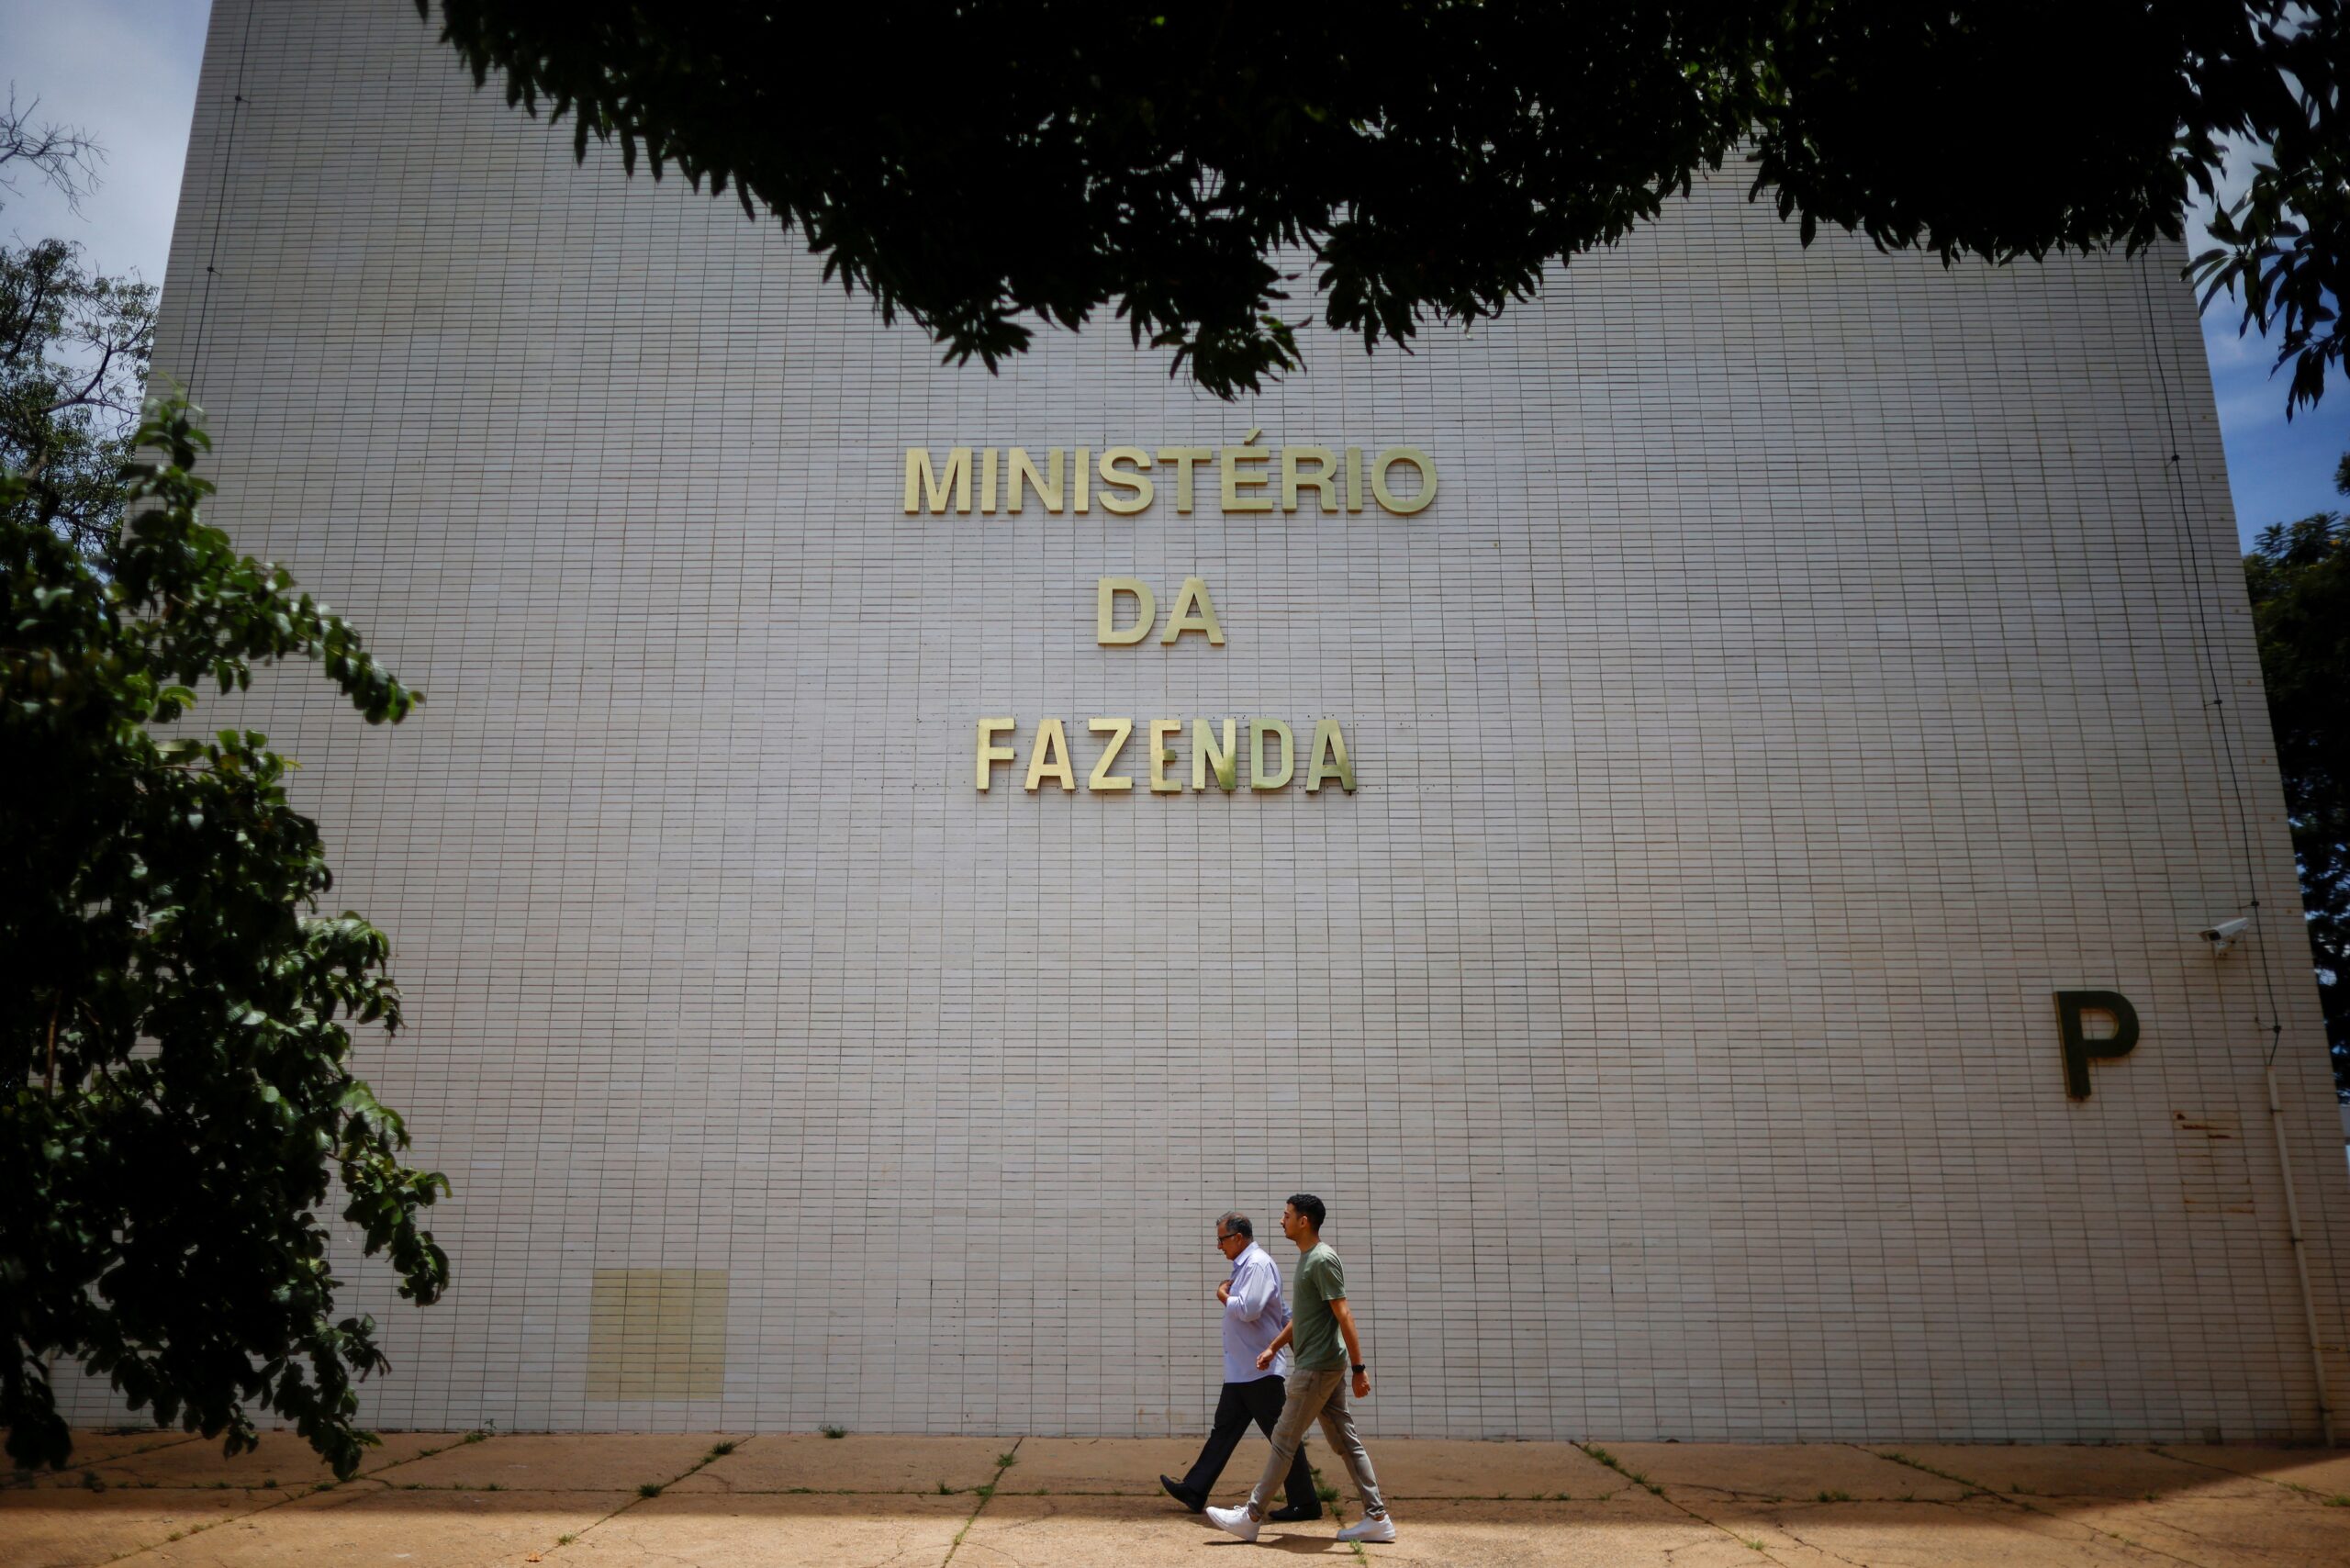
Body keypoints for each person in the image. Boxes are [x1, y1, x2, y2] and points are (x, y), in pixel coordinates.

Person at [1207, 1194, 1397, 1544]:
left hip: (1317, 1368)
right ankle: (1377, 1516)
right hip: (1321, 1365)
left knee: (1283, 1440)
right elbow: (1304, 1318)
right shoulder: (1308, 1259)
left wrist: (1359, 1368)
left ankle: (1250, 1516)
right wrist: (1273, 1346)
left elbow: (1344, 1314)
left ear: (1304, 1221)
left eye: (1287, 1215)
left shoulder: (1322, 1260)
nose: (1282, 1221)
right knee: (1345, 1441)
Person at [1159, 1213, 1321, 1519]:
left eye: (1221, 1239)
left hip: (1259, 1370)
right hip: (1243, 1370)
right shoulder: (1248, 1266)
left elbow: (1249, 1309)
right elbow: (1283, 1311)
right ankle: (1195, 1489)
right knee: (1224, 1430)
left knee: (1282, 1437)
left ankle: (1306, 1502)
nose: (1218, 1246)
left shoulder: (1257, 1264)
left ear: (1237, 1238)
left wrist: (1223, 1294)